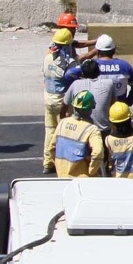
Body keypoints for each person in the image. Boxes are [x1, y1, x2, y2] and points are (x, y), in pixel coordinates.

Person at [40, 27, 80, 174]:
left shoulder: (48, 58)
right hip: (62, 102)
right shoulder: (69, 63)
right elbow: (77, 77)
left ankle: (47, 162)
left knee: (50, 130)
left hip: (48, 99)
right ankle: (66, 161)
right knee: (67, 132)